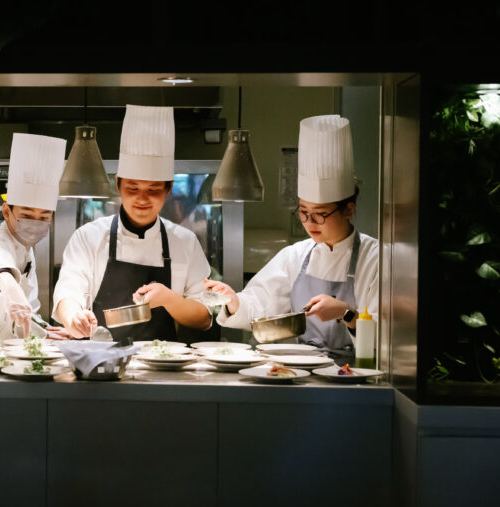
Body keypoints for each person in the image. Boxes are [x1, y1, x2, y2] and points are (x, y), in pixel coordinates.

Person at [205, 114, 378, 365]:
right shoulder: (296, 255)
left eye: (320, 214)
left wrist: (345, 312)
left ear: (348, 210)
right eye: (303, 212)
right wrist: (233, 300)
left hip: (356, 373)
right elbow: (260, 303)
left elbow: (387, 336)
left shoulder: (376, 258)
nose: (309, 222)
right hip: (302, 371)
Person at [52, 105, 212, 342]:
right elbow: (69, 292)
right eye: (133, 188)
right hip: (100, 359)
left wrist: (169, 299)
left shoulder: (185, 242)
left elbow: (204, 317)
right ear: (118, 183)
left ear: (168, 187)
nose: (142, 199)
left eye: (153, 190)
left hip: (162, 361)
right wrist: (74, 317)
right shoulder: (89, 236)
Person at [0, 132, 66, 338]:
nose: (35, 223)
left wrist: (45, 332)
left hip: (10, 347)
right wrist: (11, 289)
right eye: (26, 215)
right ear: (6, 212)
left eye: (44, 216)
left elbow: (28, 309)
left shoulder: (25, 248)